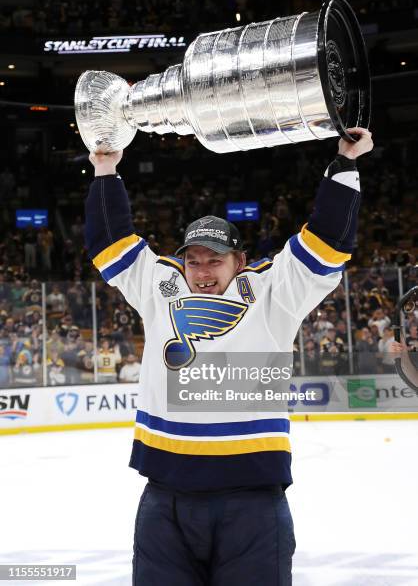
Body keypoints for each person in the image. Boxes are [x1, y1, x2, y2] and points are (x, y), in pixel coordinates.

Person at [85, 127, 373, 585]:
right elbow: (109, 243)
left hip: (253, 503)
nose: (202, 272)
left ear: (239, 261)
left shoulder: (274, 294)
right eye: (194, 260)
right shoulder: (160, 287)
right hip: (165, 499)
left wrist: (345, 164)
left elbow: (328, 243)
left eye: (214, 260)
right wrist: (105, 167)